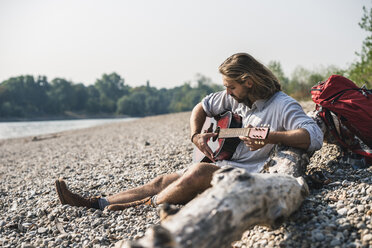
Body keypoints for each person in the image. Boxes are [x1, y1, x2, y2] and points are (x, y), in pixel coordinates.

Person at [55, 52, 323, 211]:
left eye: (231, 87)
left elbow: (313, 136)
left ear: (248, 82)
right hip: (228, 161)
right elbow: (201, 107)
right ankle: (94, 203)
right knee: (163, 179)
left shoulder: (283, 105)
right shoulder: (235, 99)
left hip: (252, 175)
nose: (227, 93)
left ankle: (142, 206)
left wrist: (271, 136)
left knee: (197, 171)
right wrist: (196, 135)